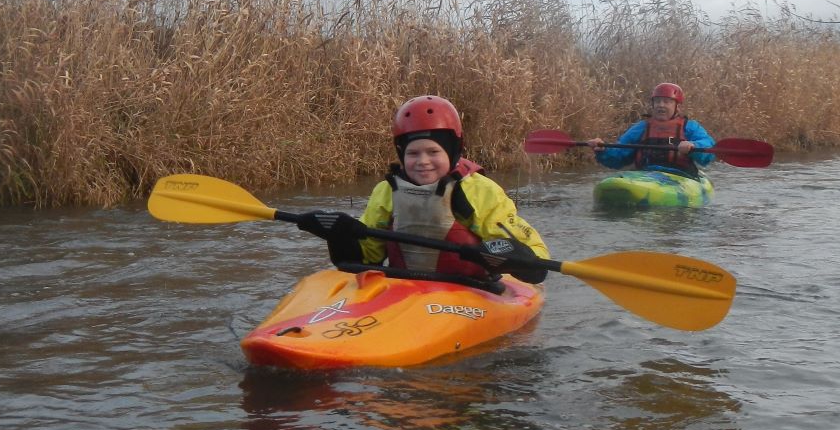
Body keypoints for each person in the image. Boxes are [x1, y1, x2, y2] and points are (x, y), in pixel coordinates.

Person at [293, 95, 550, 284]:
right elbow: (366, 259)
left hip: (471, 290)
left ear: (453, 152)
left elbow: (537, 260)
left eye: (433, 152)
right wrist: (339, 235)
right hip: (403, 286)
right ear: (401, 154)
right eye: (413, 153)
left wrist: (499, 251)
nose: (423, 161)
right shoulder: (387, 191)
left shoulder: (480, 192)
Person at [587, 82, 716, 175]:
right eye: (657, 101)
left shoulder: (690, 127)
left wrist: (693, 146)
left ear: (677, 107)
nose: (661, 105)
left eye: (667, 102)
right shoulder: (641, 128)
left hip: (681, 177)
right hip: (646, 176)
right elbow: (619, 156)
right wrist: (603, 150)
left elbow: (709, 148)